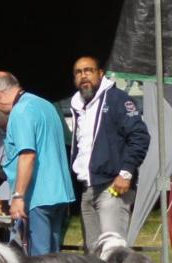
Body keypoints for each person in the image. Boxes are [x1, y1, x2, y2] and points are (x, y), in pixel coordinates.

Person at [0, 71, 74, 257]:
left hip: (37, 198)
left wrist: (17, 196)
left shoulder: (20, 112)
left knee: (38, 262)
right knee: (53, 259)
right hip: (59, 193)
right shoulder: (46, 105)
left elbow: (27, 155)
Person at [69, 56, 150, 249]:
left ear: (100, 73)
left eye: (88, 70)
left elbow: (140, 136)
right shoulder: (79, 105)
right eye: (78, 72)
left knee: (112, 251)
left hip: (112, 186)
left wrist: (126, 172)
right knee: (93, 254)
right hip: (88, 188)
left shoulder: (117, 99)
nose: (83, 76)